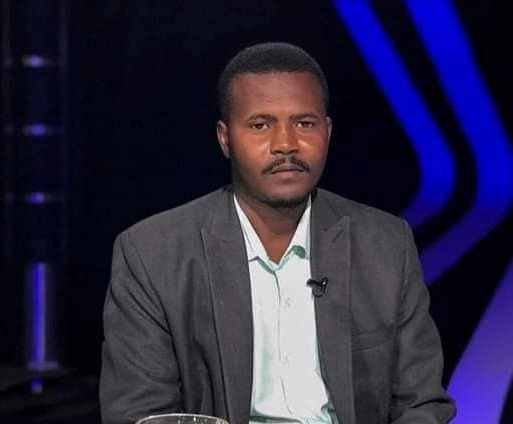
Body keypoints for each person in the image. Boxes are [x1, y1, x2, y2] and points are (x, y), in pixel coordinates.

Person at [100, 42, 456, 424]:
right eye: (260, 125)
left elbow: (421, 404)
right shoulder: (152, 256)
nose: (286, 144)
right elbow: (140, 413)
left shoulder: (386, 245)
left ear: (328, 132)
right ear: (225, 138)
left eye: (304, 123)